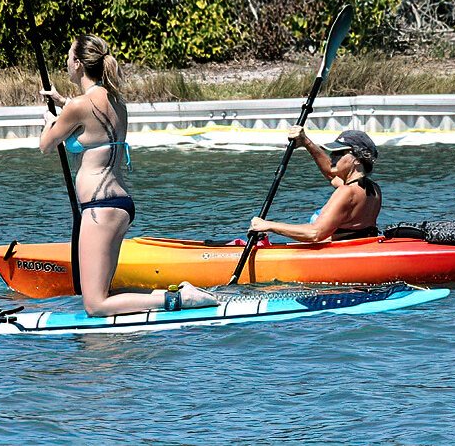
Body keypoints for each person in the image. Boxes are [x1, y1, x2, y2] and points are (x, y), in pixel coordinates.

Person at [38, 35, 216, 316]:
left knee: (95, 304)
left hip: (100, 208)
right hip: (119, 204)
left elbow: (46, 145)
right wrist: (63, 103)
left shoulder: (77, 107)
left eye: (68, 58)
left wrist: (50, 120)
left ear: (78, 65)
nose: (65, 64)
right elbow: (93, 121)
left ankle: (179, 300)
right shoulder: (117, 101)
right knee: (102, 294)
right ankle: (180, 294)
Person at [248, 127, 382, 242]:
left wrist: (267, 225)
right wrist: (306, 142)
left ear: (357, 160)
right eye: (333, 153)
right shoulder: (373, 189)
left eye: (339, 153)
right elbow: (331, 174)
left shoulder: (346, 192)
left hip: (336, 255)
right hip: (355, 247)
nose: (333, 157)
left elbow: (315, 233)